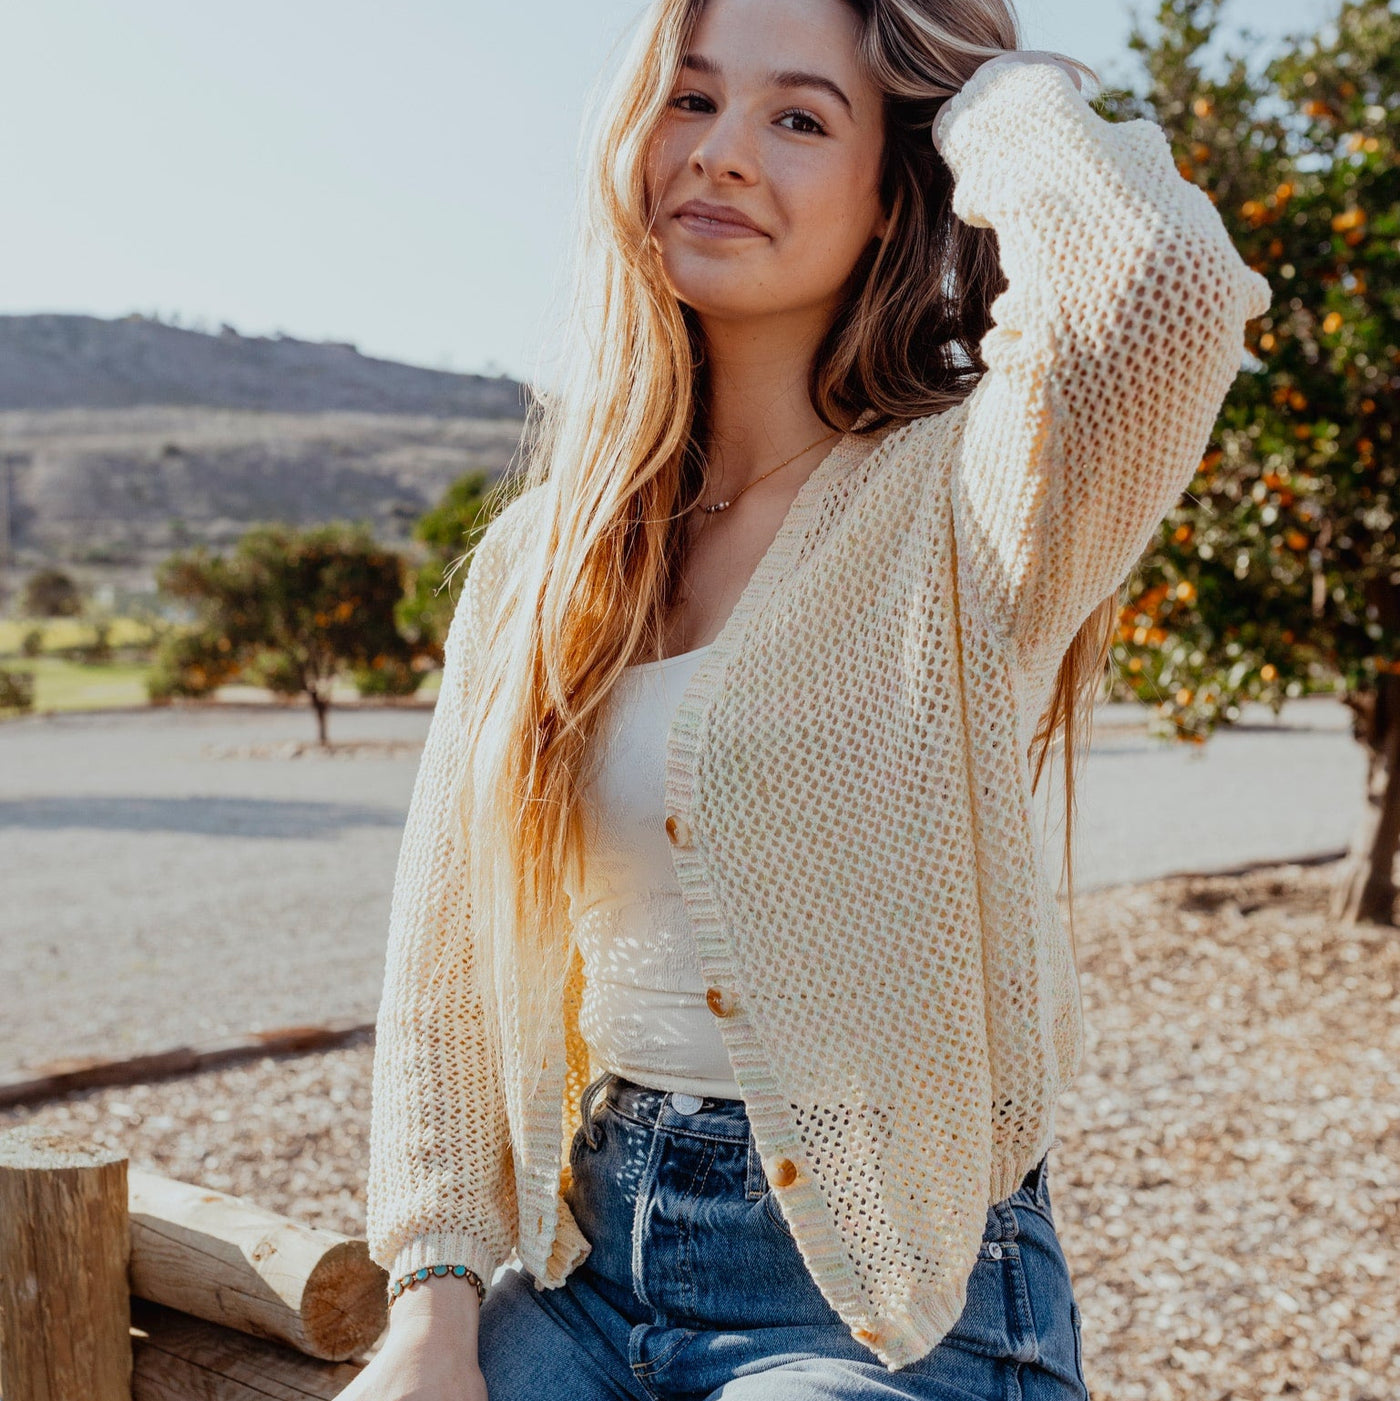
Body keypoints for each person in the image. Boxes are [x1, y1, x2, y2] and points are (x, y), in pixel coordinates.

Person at [343, 0, 1270, 1397]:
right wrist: (433, 1297)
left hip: (892, 1310)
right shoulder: (549, 556)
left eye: (799, 118)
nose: (719, 154)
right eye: (690, 98)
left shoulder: (969, 504)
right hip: (597, 1279)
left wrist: (983, 89)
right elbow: (443, 975)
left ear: (900, 189)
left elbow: (1158, 293)